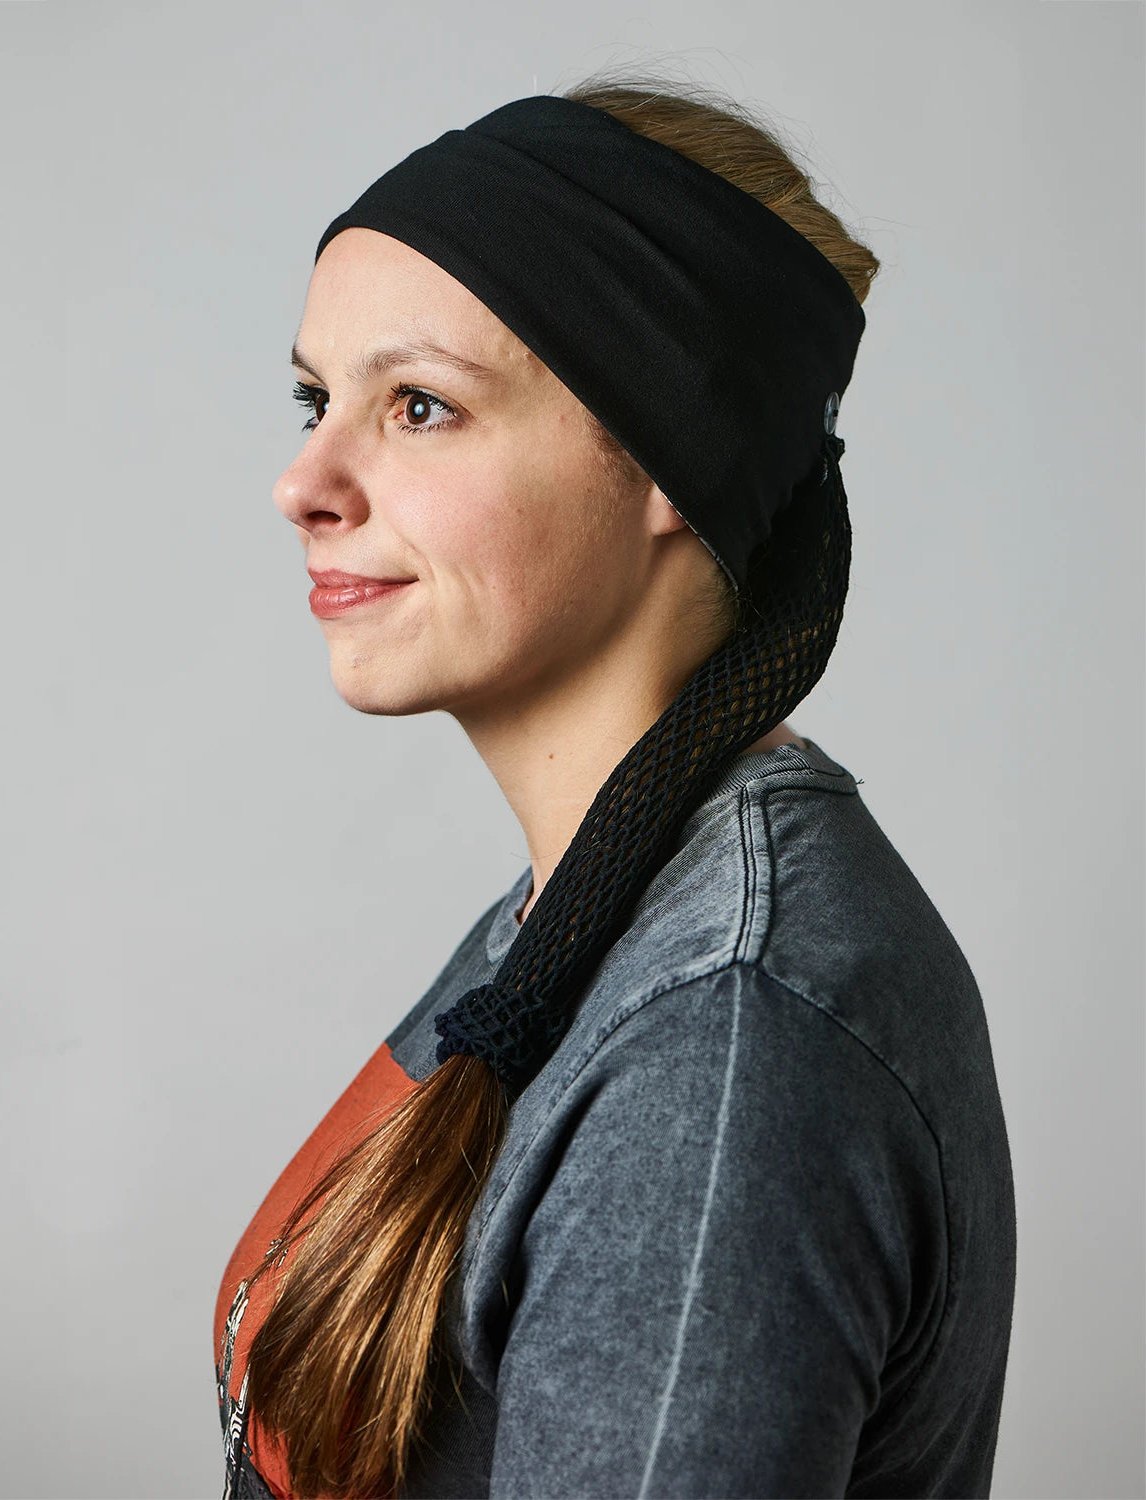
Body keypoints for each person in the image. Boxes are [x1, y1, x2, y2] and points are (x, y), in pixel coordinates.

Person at [214, 76, 1017, 1500]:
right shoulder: (596, 912)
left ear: (664, 452)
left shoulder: (728, 1040)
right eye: (312, 397)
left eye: (418, 405)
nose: (305, 479)